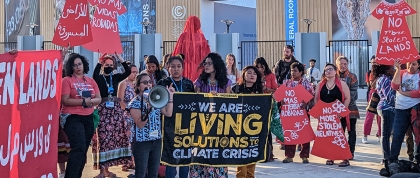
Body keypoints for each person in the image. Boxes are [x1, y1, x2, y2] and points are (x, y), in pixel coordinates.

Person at [190, 52, 231, 177]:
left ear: (216, 65)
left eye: (209, 63)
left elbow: (230, 101)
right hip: (202, 124)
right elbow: (193, 99)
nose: (206, 65)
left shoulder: (226, 82)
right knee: (201, 151)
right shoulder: (199, 81)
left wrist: (219, 97)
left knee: (218, 151)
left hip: (220, 124)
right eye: (205, 63)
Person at [92, 53, 133, 178]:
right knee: (103, 140)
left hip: (115, 112)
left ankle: (107, 170)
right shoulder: (98, 78)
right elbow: (94, 73)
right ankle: (101, 171)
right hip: (103, 111)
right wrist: (100, 60)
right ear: (103, 65)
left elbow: (127, 71)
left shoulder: (115, 78)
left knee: (112, 140)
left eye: (111, 65)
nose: (109, 66)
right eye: (106, 64)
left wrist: (120, 59)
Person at [61, 53, 102, 178]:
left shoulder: (91, 81)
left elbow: (98, 98)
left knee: (83, 151)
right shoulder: (67, 80)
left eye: (79, 64)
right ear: (70, 67)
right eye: (74, 65)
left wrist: (90, 102)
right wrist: (84, 102)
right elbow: (65, 100)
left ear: (84, 65)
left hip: (88, 117)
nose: (78, 67)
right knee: (78, 148)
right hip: (72, 117)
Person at [127, 73, 175, 178]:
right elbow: (140, 124)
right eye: (144, 82)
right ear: (138, 86)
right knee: (141, 173)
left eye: (149, 82)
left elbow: (168, 113)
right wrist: (148, 109)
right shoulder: (134, 103)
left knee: (153, 173)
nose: (148, 84)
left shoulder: (155, 99)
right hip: (141, 142)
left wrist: (170, 97)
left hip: (156, 140)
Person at [157, 55, 194, 178]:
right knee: (171, 158)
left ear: (183, 68)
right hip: (168, 124)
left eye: (178, 66)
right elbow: (158, 102)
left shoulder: (188, 83)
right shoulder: (163, 83)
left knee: (185, 156)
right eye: (173, 67)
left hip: (186, 125)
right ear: (168, 68)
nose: (176, 69)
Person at [314, 63, 351, 167]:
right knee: (329, 137)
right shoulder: (320, 84)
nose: (328, 71)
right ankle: (331, 157)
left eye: (330, 69)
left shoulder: (341, 83)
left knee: (340, 137)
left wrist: (342, 112)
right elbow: (316, 99)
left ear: (335, 71)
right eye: (326, 70)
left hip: (338, 115)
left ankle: (345, 158)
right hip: (326, 116)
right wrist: (319, 113)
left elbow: (348, 98)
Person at [231, 66, 263, 178]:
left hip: (254, 127)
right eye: (249, 73)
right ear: (244, 75)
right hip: (238, 127)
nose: (252, 75)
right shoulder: (235, 89)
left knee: (252, 152)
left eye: (254, 73)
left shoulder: (260, 91)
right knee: (241, 154)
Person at [281, 62, 314, 164]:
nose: (292, 73)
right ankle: (289, 155)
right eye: (291, 71)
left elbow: (311, 95)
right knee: (289, 133)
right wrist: (282, 101)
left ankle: (304, 156)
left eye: (295, 71)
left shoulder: (306, 83)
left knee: (304, 133)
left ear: (301, 72)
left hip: (302, 112)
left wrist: (306, 103)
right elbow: (280, 96)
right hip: (290, 114)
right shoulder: (286, 83)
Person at [389, 59, 420, 163]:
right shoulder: (402, 73)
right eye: (409, 63)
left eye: (414, 64)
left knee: (417, 135)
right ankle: (393, 160)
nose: (410, 66)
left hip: (415, 109)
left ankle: (417, 160)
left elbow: (418, 93)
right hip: (400, 109)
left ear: (418, 66)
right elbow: (394, 86)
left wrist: (403, 92)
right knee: (397, 135)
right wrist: (398, 69)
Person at [172, 16, 210, 81]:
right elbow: (207, 55)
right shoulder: (201, 37)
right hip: (198, 67)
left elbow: (177, 53)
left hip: (184, 67)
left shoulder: (183, 36)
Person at [254, 57, 277, 161]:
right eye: (257, 67)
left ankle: (269, 153)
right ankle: (257, 153)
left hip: (267, 104)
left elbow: (276, 89)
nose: (259, 69)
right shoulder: (253, 76)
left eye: (261, 67)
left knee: (267, 130)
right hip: (255, 105)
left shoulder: (271, 75)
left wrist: (267, 89)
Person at [336, 56, 359, 160]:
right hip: (336, 109)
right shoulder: (333, 76)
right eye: (341, 64)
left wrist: (343, 101)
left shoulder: (352, 76)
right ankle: (340, 151)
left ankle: (351, 152)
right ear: (337, 64)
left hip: (350, 107)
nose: (343, 66)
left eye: (345, 64)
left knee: (351, 131)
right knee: (339, 131)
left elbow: (353, 93)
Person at [117, 64, 139, 172]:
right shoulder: (123, 84)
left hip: (136, 115)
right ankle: (126, 162)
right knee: (127, 139)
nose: (135, 74)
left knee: (135, 138)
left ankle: (134, 161)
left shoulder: (136, 84)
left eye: (136, 72)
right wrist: (129, 110)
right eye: (133, 72)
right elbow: (120, 100)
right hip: (126, 114)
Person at [375, 64, 396, 164]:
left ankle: (387, 157)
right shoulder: (385, 80)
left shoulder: (386, 78)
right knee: (386, 134)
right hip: (387, 108)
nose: (394, 69)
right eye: (393, 68)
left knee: (386, 134)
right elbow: (389, 97)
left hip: (386, 108)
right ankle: (386, 158)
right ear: (387, 71)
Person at [363, 56, 381, 144]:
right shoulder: (369, 73)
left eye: (376, 62)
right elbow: (371, 85)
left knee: (380, 116)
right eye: (373, 63)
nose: (374, 64)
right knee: (369, 116)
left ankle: (380, 134)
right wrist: (376, 75)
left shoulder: (384, 71)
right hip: (373, 94)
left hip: (382, 94)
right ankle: (365, 135)